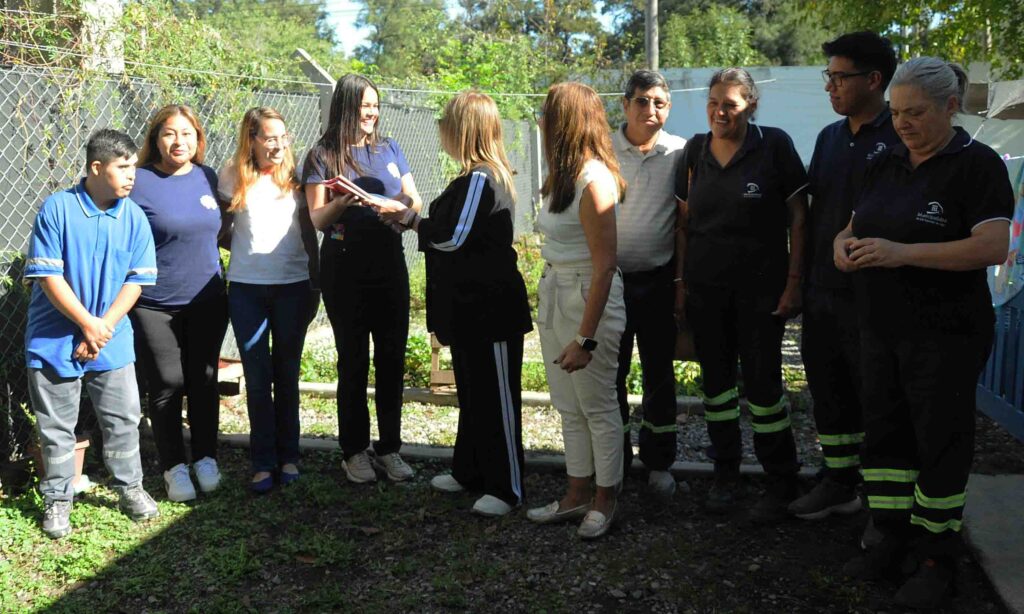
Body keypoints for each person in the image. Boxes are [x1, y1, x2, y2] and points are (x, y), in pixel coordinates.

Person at [835, 57, 1012, 609]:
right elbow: (853, 226)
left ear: (950, 107)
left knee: (939, 442)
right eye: (896, 113)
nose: (903, 123)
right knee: (886, 437)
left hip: (945, 334)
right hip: (880, 327)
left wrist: (901, 253)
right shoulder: (884, 161)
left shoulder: (977, 165)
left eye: (915, 113)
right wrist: (841, 247)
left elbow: (993, 246)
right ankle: (890, 537)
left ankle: (937, 558)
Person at [373, 91, 533, 516]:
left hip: (492, 310)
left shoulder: (482, 178)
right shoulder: (471, 176)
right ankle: (470, 471)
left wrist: (408, 219)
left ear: (464, 129)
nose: (440, 126)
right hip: (469, 309)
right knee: (474, 393)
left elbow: (452, 237)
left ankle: (507, 488)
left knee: (496, 398)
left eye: (446, 119)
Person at [674, 68, 807, 522]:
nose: (719, 112)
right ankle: (725, 474)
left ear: (751, 105)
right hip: (706, 293)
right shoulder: (694, 151)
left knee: (765, 389)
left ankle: (781, 480)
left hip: (761, 294)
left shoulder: (774, 145)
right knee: (716, 388)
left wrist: (794, 282)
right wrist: (680, 286)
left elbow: (799, 217)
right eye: (713, 102)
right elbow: (683, 224)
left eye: (730, 104)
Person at [25, 128, 160, 539]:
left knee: (123, 419)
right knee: (56, 427)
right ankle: (57, 499)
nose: (132, 175)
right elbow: (49, 277)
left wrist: (102, 328)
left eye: (134, 167)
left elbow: (136, 281)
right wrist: (87, 323)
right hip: (54, 340)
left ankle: (130, 488)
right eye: (123, 167)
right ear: (96, 168)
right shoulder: (57, 209)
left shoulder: (134, 217)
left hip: (111, 337)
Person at [788, 33, 899, 522]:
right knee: (828, 392)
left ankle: (883, 508)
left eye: (839, 77)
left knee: (878, 398)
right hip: (822, 292)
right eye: (828, 76)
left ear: (874, 80)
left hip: (876, 296)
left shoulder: (900, 135)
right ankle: (838, 481)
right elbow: (816, 212)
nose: (829, 86)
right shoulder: (829, 138)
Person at [302, 74, 422, 484]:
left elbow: (414, 197)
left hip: (389, 263)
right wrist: (341, 201)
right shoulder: (322, 155)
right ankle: (354, 451)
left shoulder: (390, 148)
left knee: (391, 357)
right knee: (352, 360)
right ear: (345, 108)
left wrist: (398, 207)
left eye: (374, 105)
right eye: (363, 105)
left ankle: (389, 449)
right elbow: (317, 218)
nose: (371, 113)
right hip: (344, 268)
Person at [525, 82, 627, 539]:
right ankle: (577, 494)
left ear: (565, 121)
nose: (540, 120)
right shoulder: (561, 175)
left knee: (597, 406)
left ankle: (606, 500)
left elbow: (605, 265)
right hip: (556, 289)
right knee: (568, 406)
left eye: (547, 112)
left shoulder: (594, 180)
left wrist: (586, 338)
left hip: (587, 295)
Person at [129, 104, 229, 503]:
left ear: (198, 139)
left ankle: (205, 457)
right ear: (155, 139)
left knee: (203, 380)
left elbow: (221, 231)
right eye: (169, 133)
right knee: (167, 383)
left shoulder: (207, 177)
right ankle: (173, 466)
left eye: (187, 133)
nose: (178, 141)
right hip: (153, 301)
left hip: (207, 299)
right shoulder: (139, 180)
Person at [219, 107, 319, 493]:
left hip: (293, 286)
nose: (278, 145)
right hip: (247, 289)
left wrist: (316, 284)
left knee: (287, 375)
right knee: (257, 377)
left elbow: (310, 233)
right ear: (252, 140)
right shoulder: (232, 175)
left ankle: (289, 456)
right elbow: (218, 229)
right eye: (270, 138)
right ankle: (263, 462)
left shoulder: (298, 177)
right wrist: (246, 251)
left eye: (283, 137)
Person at [611, 69, 687, 496]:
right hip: (610, 282)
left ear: (668, 108)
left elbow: (685, 220)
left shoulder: (680, 151)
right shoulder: (601, 149)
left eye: (659, 103)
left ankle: (659, 462)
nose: (650, 110)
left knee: (659, 374)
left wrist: (680, 283)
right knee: (613, 373)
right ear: (625, 104)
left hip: (658, 282)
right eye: (642, 101)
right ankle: (616, 461)